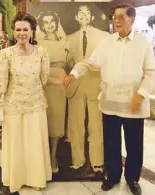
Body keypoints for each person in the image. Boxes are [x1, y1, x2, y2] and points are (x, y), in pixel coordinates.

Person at [63, 4, 155, 195]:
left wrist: (141, 94)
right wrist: (74, 73)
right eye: (114, 17)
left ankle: (132, 179)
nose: (117, 20)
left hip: (134, 104)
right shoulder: (107, 42)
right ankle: (113, 176)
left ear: (132, 19)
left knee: (134, 145)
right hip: (110, 103)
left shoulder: (143, 43)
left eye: (121, 17)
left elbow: (150, 72)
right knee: (111, 143)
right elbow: (90, 63)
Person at [0, 13, 52, 192]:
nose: (22, 33)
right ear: (13, 31)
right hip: (14, 106)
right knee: (16, 145)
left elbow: (44, 78)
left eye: (25, 29)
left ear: (32, 31)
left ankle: (36, 178)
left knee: (34, 145)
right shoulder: (5, 54)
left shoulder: (41, 52)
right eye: (18, 29)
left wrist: (65, 80)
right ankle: (16, 179)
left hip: (36, 105)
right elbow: (0, 84)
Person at [66, 4, 109, 176]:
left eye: (87, 12)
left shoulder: (104, 36)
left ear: (92, 17)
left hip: (95, 83)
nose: (83, 15)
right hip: (75, 84)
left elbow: (107, 60)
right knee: (75, 126)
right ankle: (77, 160)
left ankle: (97, 162)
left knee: (96, 125)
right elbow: (67, 61)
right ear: (77, 18)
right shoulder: (69, 38)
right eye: (80, 13)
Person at [37, 11, 69, 173]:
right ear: (41, 25)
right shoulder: (37, 42)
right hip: (41, 82)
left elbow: (71, 61)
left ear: (56, 23)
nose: (49, 25)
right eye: (45, 22)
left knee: (57, 118)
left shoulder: (65, 41)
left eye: (52, 21)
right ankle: (40, 157)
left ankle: (53, 155)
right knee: (42, 117)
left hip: (59, 83)